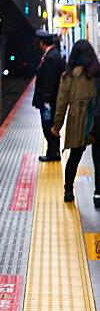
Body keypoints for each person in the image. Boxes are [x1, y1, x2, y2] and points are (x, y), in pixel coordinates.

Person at [51, 38, 100, 205]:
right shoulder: (96, 72)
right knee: (98, 157)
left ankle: (68, 191)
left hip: (77, 118)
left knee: (75, 155)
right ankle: (98, 193)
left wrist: (57, 126)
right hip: (96, 116)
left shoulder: (68, 76)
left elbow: (61, 103)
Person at [32, 29, 65, 161]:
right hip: (50, 101)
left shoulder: (51, 57)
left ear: (41, 42)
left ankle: (53, 153)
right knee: (49, 125)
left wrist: (46, 100)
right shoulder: (53, 54)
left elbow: (50, 80)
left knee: (48, 126)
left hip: (49, 103)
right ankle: (52, 151)